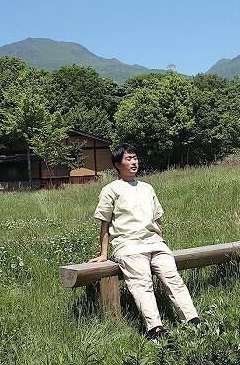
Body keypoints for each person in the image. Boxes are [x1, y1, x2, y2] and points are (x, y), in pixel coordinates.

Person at [89, 143, 199, 338]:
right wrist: (104, 253)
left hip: (155, 243)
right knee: (142, 284)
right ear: (117, 164)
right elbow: (104, 224)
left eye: (135, 158)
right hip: (129, 245)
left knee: (174, 279)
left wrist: (161, 241)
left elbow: (158, 219)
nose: (134, 162)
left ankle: (193, 320)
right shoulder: (110, 190)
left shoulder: (147, 188)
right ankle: (155, 329)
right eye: (128, 159)